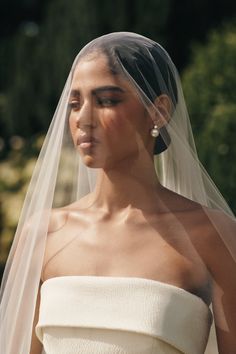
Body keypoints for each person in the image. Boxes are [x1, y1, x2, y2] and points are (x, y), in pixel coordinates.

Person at [0, 32, 236, 354]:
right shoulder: (43, 234)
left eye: (106, 100)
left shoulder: (212, 236)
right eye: (74, 103)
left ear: (159, 111)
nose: (83, 119)